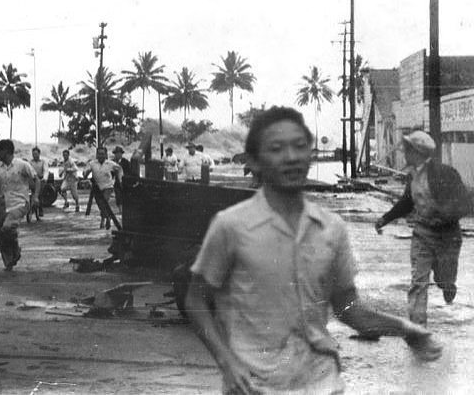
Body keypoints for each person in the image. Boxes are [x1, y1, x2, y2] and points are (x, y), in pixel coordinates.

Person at [185, 106, 442, 394]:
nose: (291, 157)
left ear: (310, 155)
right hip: (255, 386)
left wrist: (407, 330)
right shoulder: (230, 227)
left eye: (299, 146)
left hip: (323, 383)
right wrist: (227, 362)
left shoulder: (331, 229)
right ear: (255, 162)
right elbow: (195, 299)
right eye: (277, 148)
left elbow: (350, 310)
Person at [374, 130, 471, 326]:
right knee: (418, 282)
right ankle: (417, 328)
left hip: (447, 236)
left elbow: (466, 201)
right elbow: (407, 202)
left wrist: (446, 216)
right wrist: (385, 218)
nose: (404, 154)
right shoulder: (412, 177)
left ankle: (446, 282)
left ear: (417, 152)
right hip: (423, 234)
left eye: (407, 150)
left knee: (444, 279)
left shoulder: (444, 173)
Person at [0, 139, 39, 271]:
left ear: (6, 151)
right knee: (1, 233)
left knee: (7, 227)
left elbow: (36, 179)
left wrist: (36, 196)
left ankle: (15, 249)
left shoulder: (22, 165)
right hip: (3, 202)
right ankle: (9, 261)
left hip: (20, 202)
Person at [82, 146, 123, 230]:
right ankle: (107, 217)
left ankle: (104, 220)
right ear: (96, 155)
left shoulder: (110, 163)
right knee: (100, 205)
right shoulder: (92, 163)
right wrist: (85, 174)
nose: (101, 156)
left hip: (108, 186)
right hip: (97, 187)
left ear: (106, 155)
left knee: (104, 202)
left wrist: (119, 179)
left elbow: (119, 169)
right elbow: (86, 171)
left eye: (102, 154)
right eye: (99, 154)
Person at [29, 147, 50, 218]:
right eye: (33, 154)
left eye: (36, 154)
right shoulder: (30, 162)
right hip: (33, 179)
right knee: (31, 193)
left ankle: (40, 208)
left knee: (40, 194)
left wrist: (45, 178)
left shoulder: (43, 161)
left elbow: (46, 170)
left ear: (39, 154)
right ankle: (30, 208)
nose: (34, 155)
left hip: (41, 179)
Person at [112, 146, 131, 211]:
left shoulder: (126, 162)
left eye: (119, 153)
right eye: (116, 153)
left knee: (125, 195)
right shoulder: (112, 162)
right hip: (116, 182)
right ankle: (120, 209)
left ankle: (125, 209)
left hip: (124, 181)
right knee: (118, 195)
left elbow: (129, 171)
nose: (117, 155)